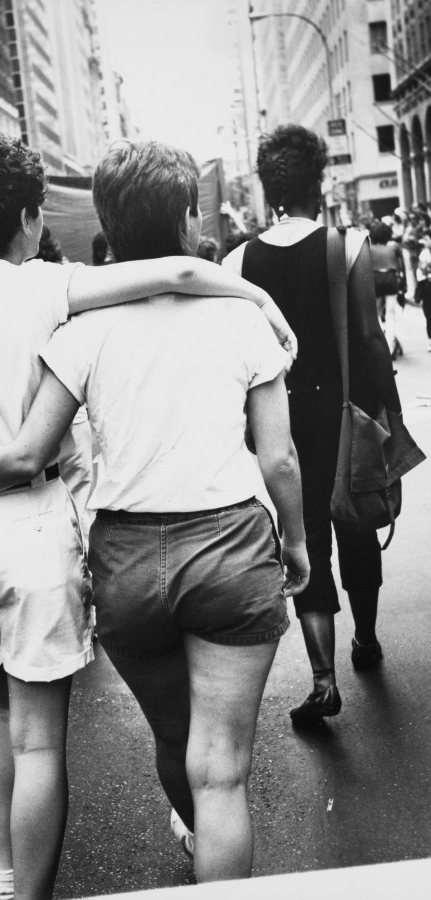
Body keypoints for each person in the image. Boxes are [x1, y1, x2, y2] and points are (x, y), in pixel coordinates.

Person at [0, 130, 297, 899]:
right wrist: (253, 291)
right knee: (43, 740)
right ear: (27, 215)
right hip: (34, 526)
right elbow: (177, 271)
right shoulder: (41, 286)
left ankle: (3, 875)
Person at [223, 124, 402, 726]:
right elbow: (371, 339)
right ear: (318, 181)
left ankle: (323, 680)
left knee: (304, 541)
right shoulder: (346, 247)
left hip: (279, 425)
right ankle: (367, 641)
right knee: (355, 524)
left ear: (268, 185)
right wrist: (392, 409)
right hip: (343, 414)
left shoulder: (238, 259)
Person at [369, 220, 405, 359]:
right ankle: (390, 346)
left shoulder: (369, 248)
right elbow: (400, 267)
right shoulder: (394, 247)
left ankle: (379, 344)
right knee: (390, 313)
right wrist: (403, 286)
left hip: (375, 279)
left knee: (376, 313)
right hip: (391, 278)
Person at [416, 230, 431, 350]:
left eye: (426, 239)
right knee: (429, 313)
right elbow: (422, 268)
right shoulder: (425, 252)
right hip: (427, 285)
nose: (424, 242)